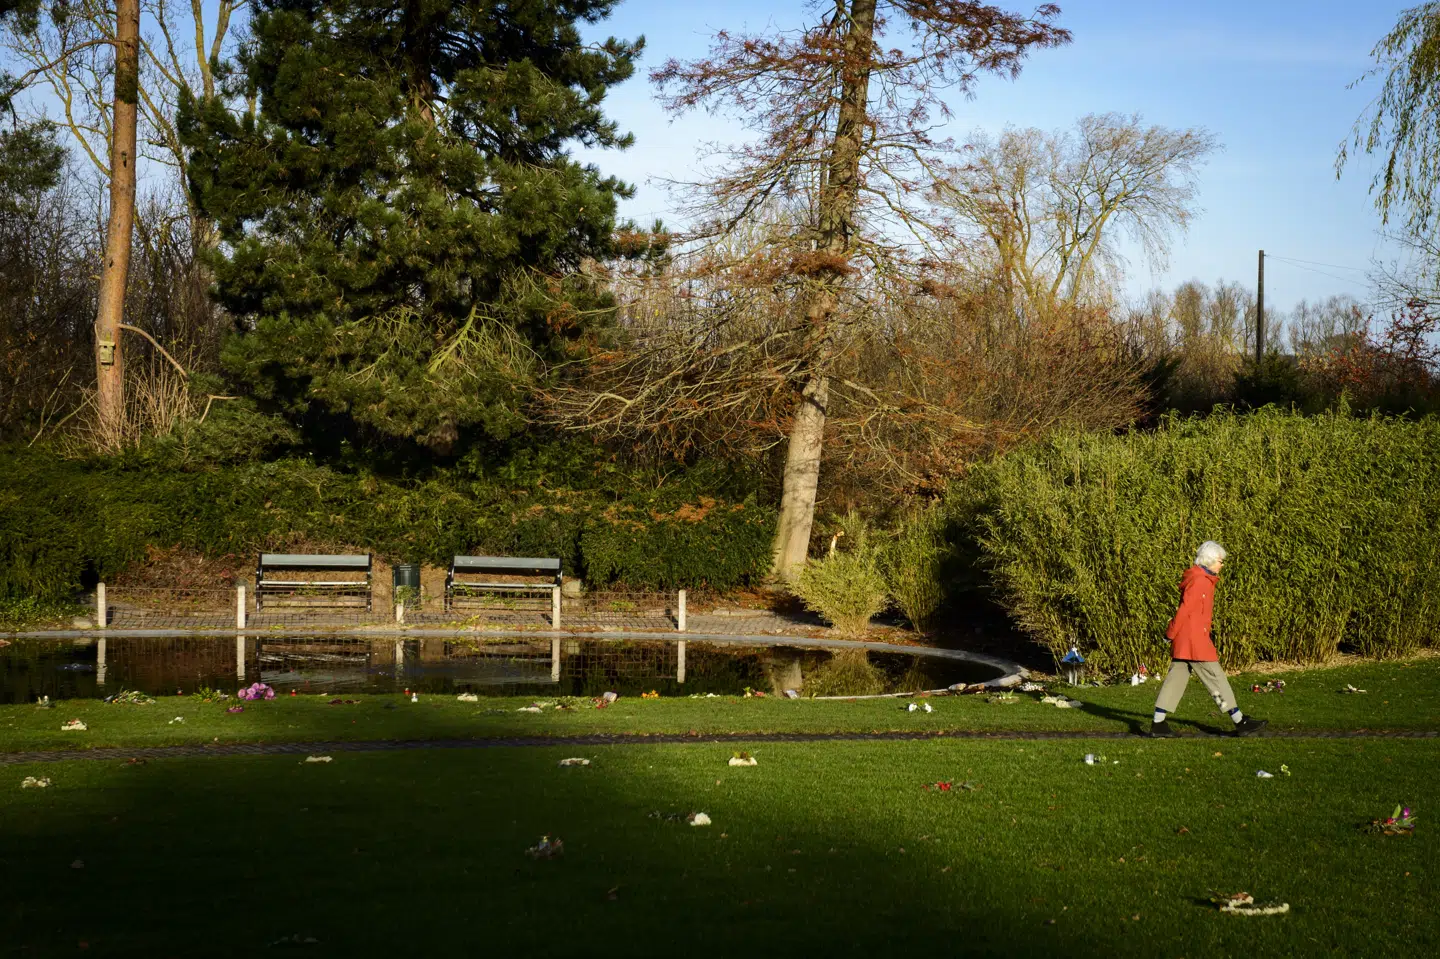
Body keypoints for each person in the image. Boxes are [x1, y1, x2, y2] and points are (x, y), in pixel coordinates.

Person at [1148, 541, 1266, 738]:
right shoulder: (1201, 581)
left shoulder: (1197, 578)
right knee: (1217, 682)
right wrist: (1169, 633)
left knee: (1174, 682)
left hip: (1185, 642)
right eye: (1221, 561)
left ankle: (1158, 724)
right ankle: (1240, 721)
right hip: (1195, 643)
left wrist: (1172, 635)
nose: (1222, 565)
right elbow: (1185, 610)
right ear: (1210, 561)